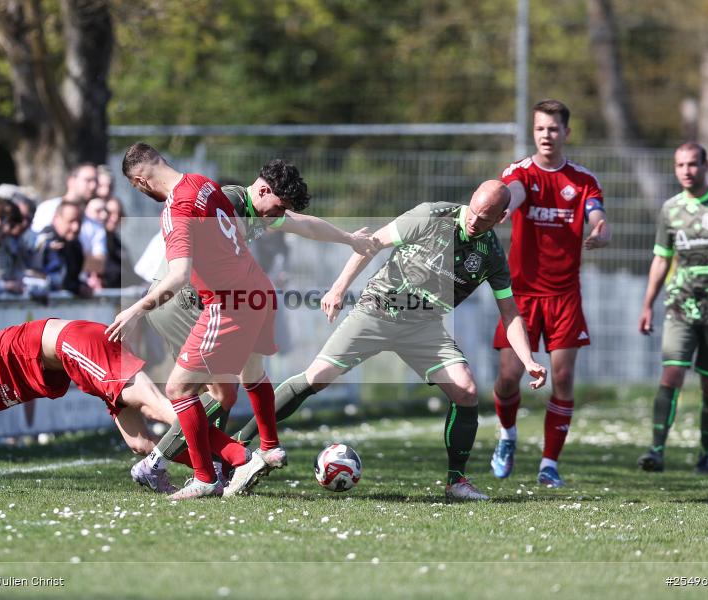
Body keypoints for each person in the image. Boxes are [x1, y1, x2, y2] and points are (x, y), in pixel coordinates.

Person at [231, 181, 546, 501]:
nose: (474, 221)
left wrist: (530, 360)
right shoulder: (432, 216)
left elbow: (510, 314)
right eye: (474, 212)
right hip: (378, 310)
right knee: (316, 378)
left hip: (424, 326)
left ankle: (457, 482)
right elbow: (373, 243)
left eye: (484, 218)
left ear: (501, 218)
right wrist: (339, 288)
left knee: (465, 390)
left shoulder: (491, 254)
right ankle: (238, 447)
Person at [131, 159, 378, 491]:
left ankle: (227, 460)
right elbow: (192, 259)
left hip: (215, 300)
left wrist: (348, 238)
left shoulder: (260, 210)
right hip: (182, 300)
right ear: (263, 190)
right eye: (277, 207)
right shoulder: (230, 202)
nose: (278, 216)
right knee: (211, 392)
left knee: (226, 386)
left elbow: (304, 225)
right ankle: (175, 463)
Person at [108, 142, 285, 500]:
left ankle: (207, 477)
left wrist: (134, 309)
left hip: (229, 303)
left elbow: (177, 276)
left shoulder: (176, 210)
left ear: (141, 182)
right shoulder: (204, 182)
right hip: (258, 289)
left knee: (178, 389)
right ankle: (267, 448)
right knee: (250, 374)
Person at [0, 319, 257, 493]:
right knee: (139, 443)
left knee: (152, 405)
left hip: (73, 343)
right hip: (73, 362)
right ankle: (217, 467)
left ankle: (239, 457)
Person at [489, 99, 612, 488]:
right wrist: (506, 206)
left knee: (562, 376)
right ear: (534, 131)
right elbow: (515, 192)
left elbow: (595, 211)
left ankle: (549, 463)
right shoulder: (521, 173)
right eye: (541, 128)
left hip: (564, 295)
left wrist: (601, 228)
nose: (547, 135)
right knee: (509, 378)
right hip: (521, 295)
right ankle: (507, 436)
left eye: (554, 129)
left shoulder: (582, 180)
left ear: (566, 133)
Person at [637, 143, 708, 473]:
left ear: (706, 165)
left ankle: (706, 453)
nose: (686, 170)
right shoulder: (670, 209)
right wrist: (648, 304)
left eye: (693, 164)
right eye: (680, 164)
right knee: (672, 373)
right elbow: (661, 257)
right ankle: (656, 451)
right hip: (680, 304)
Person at [31, 201, 92, 297]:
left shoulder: (75, 245)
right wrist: (75, 288)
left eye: (79, 222)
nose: (75, 227)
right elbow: (39, 276)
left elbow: (73, 277)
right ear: (56, 219)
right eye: (71, 221)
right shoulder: (44, 240)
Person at [31, 163, 98, 234]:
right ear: (71, 181)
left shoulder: (95, 221)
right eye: (88, 180)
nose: (93, 186)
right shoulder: (49, 209)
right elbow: (38, 241)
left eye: (96, 181)